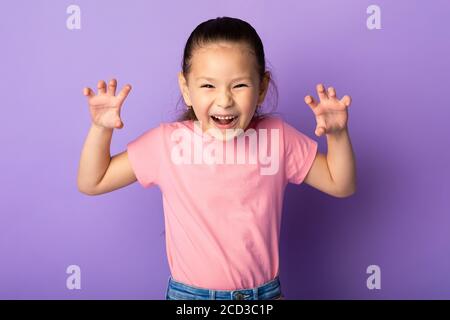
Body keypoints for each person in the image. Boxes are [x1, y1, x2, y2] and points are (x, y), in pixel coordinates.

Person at [77, 16, 356, 300]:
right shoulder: (167, 144)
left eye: (239, 86)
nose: (224, 100)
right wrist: (100, 129)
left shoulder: (277, 138)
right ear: (186, 88)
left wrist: (338, 134)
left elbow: (340, 183)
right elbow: (93, 181)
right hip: (190, 299)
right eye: (208, 86)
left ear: (261, 88)